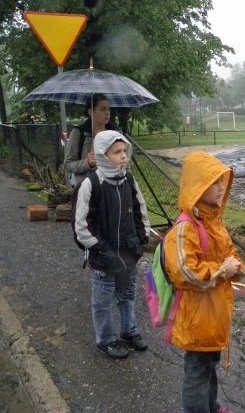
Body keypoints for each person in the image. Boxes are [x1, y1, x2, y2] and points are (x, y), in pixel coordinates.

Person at [163, 150, 245, 413]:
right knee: (196, 372)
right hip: (197, 315)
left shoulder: (213, 219)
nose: (222, 187)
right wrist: (222, 271)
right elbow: (185, 271)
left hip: (215, 312)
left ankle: (212, 406)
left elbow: (229, 251)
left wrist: (236, 266)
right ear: (198, 186)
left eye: (223, 181)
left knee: (209, 366)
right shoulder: (184, 228)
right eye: (214, 182)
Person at [74, 130, 150, 359]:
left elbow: (140, 210)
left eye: (124, 151)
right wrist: (101, 250)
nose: (124, 156)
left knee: (127, 294)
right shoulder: (91, 184)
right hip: (104, 257)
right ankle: (105, 339)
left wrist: (141, 238)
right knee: (103, 300)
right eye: (117, 152)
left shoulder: (128, 179)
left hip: (127, 254)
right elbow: (81, 226)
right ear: (102, 155)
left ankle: (129, 331)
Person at [64, 94, 115, 187]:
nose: (107, 113)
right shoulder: (78, 133)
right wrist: (87, 163)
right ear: (91, 111)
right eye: (103, 109)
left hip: (111, 189)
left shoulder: (115, 134)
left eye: (109, 109)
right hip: (87, 191)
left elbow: (125, 163)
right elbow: (68, 165)